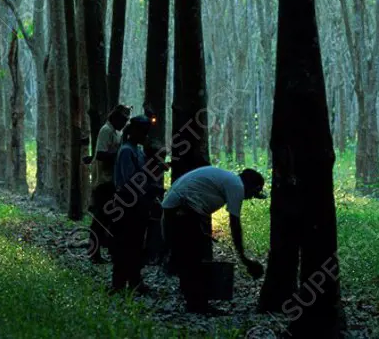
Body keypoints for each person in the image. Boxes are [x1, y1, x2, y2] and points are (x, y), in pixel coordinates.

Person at [162, 166, 266, 313]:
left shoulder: (228, 180)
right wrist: (244, 258)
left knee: (190, 256)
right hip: (182, 207)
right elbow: (235, 225)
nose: (249, 198)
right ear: (249, 186)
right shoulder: (236, 186)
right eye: (253, 193)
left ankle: (193, 300)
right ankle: (197, 304)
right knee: (194, 258)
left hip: (178, 205)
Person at [109, 115, 158, 294]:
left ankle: (135, 281)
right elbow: (131, 181)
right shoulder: (126, 151)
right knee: (125, 245)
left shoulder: (138, 151)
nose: (146, 136)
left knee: (136, 245)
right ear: (135, 131)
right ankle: (118, 284)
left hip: (138, 205)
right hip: (126, 205)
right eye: (143, 132)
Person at [82, 104, 130, 263]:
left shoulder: (115, 133)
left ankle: (107, 249)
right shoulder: (106, 131)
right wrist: (120, 156)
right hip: (103, 181)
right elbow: (101, 154)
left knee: (110, 218)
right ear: (115, 117)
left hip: (111, 181)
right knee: (100, 218)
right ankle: (93, 253)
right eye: (123, 119)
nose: (124, 123)